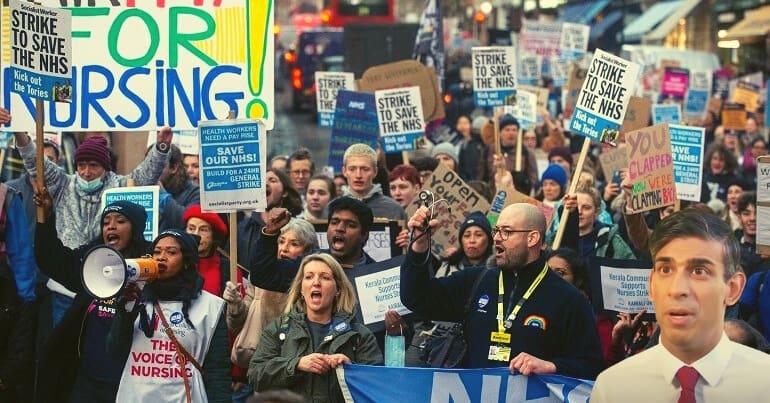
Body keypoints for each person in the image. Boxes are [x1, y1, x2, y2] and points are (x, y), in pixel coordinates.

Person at [400, 203, 604, 378]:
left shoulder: (568, 299)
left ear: (532, 238)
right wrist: (419, 245)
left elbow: (591, 366)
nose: (497, 238)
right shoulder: (476, 280)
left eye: (506, 231)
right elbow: (417, 298)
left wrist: (551, 366)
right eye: (496, 230)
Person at [591, 209, 770, 402]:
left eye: (699, 271)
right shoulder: (612, 389)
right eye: (666, 269)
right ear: (651, 285)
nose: (677, 289)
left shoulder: (764, 384)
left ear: (733, 289)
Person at [34, 199, 151, 403]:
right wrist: (46, 217)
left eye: (120, 221)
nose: (111, 226)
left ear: (136, 228)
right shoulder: (93, 259)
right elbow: (53, 259)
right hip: (88, 382)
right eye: (106, 222)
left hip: (130, 382)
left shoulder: (150, 266)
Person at [106, 229, 226, 403]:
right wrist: (125, 314)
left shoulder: (210, 306)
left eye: (171, 252)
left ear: (186, 262)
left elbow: (218, 371)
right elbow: (114, 352)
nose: (161, 257)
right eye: (156, 252)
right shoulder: (135, 298)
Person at [247, 253, 382, 402]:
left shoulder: (359, 335)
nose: (316, 282)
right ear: (301, 289)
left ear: (338, 289)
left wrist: (350, 370)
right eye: (309, 276)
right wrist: (296, 365)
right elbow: (255, 375)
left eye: (325, 277)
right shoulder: (279, 329)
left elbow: (377, 386)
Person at [183, 205, 245, 401]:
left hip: (217, 361)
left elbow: (237, 323)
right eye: (191, 228)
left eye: (203, 229)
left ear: (214, 235)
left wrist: (237, 369)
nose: (196, 235)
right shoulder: (175, 265)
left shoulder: (230, 270)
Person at [236, 169, 302, 270]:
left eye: (272, 180)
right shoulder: (243, 228)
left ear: (285, 192)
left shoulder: (299, 228)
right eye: (261, 181)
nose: (265, 183)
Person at [562, 186, 636, 260]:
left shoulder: (611, 241)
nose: (579, 212)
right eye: (575, 206)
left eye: (586, 207)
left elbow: (632, 268)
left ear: (596, 212)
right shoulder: (559, 238)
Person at [340, 143, 406, 220]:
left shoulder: (394, 209)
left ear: (375, 171)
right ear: (344, 171)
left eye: (365, 169)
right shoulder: (331, 209)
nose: (358, 175)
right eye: (352, 169)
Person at [478, 114, 538, 195]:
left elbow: (534, 179)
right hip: (493, 199)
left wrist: (525, 182)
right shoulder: (488, 151)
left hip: (517, 201)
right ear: (500, 133)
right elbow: (480, 177)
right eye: (507, 130)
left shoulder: (526, 153)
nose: (511, 133)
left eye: (514, 130)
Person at [434, 211, 493, 277]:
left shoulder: (498, 271)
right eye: (467, 235)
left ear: (489, 240)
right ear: (461, 240)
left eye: (478, 235)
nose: (472, 240)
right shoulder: (448, 267)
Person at [158, 144, 200, 231]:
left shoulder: (195, 193)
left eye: (158, 165)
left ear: (173, 168)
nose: (152, 170)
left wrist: (162, 195)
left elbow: (185, 222)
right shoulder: (143, 186)